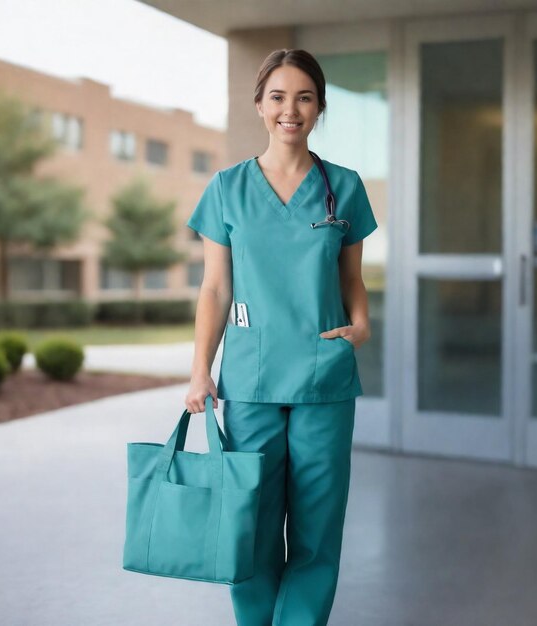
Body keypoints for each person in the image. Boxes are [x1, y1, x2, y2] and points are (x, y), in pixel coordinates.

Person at [185, 48, 378, 626]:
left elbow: (352, 279)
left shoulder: (342, 187)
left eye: (304, 97)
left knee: (318, 530)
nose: (290, 109)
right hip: (250, 380)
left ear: (319, 107)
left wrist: (362, 324)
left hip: (325, 377)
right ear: (259, 105)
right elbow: (215, 289)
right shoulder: (227, 188)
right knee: (252, 526)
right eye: (278, 97)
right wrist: (201, 370)